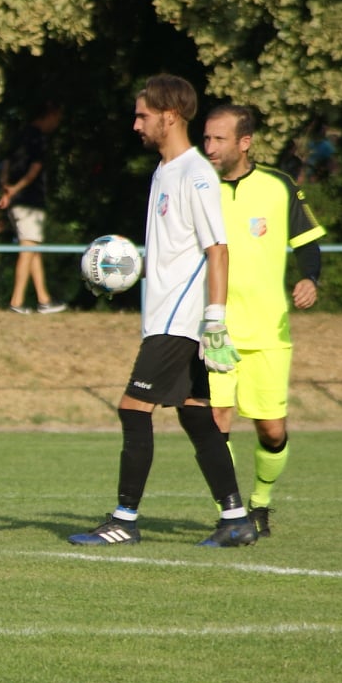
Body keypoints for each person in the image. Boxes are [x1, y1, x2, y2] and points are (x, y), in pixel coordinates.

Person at [67, 74, 256, 549]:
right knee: (196, 417)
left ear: (169, 116)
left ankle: (124, 520)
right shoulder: (164, 171)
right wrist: (124, 274)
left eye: (143, 115)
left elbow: (218, 249)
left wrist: (215, 320)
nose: (136, 125)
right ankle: (236, 519)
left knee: (133, 408)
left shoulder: (195, 174)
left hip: (180, 320)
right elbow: (175, 253)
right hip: (167, 315)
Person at [201, 104, 326, 538]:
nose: (209, 147)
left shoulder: (278, 185)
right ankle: (231, 511)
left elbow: (307, 243)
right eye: (206, 138)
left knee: (271, 431)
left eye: (219, 139)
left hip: (268, 329)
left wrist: (309, 278)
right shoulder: (197, 186)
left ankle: (260, 503)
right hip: (214, 329)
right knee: (216, 421)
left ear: (245, 142)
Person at [0, 101, 66, 314]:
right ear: (49, 114)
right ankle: (16, 302)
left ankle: (44, 299)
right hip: (29, 202)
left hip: (16, 203)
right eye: (57, 118)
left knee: (32, 247)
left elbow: (6, 164)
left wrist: (6, 190)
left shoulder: (18, 135)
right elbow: (34, 170)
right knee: (28, 250)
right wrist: (14, 190)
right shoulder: (38, 139)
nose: (57, 123)